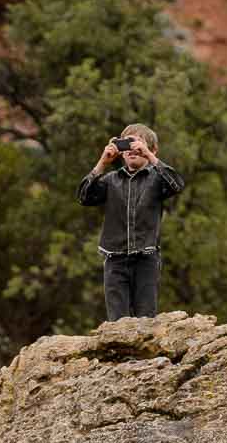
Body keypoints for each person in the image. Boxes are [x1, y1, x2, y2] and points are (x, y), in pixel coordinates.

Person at [76, 122, 186, 321]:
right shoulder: (111, 180)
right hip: (114, 259)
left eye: (138, 144)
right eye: (127, 144)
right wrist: (102, 162)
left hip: (146, 258)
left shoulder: (157, 179)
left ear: (151, 149)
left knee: (146, 321)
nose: (132, 149)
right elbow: (84, 197)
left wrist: (150, 157)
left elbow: (177, 184)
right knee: (117, 324)